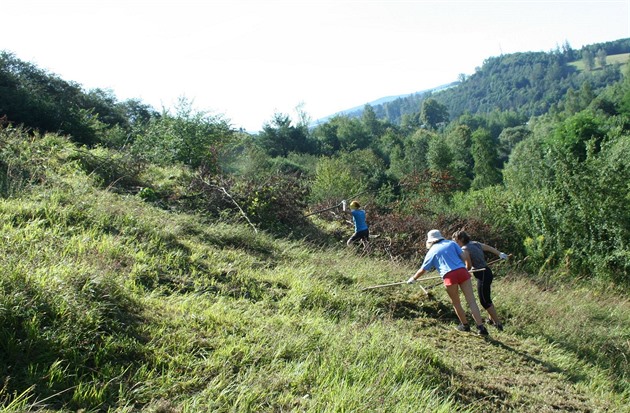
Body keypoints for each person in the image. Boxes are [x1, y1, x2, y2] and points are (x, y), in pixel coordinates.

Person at [407, 229, 489, 336]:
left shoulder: (431, 251)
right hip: (462, 271)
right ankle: (481, 327)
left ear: (430, 241)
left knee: (456, 302)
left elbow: (423, 270)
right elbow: (465, 257)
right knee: (472, 301)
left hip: (449, 276)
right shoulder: (451, 243)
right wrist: (466, 268)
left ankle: (465, 325)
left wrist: (413, 278)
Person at [452, 230, 508, 331]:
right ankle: (491, 319)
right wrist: (500, 254)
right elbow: (488, 247)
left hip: (482, 274)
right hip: (487, 272)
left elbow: (468, 266)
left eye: (456, 241)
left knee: (484, 301)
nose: (455, 243)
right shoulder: (475, 243)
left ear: (461, 239)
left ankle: (498, 323)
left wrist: (463, 271)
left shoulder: (464, 249)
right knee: (486, 296)